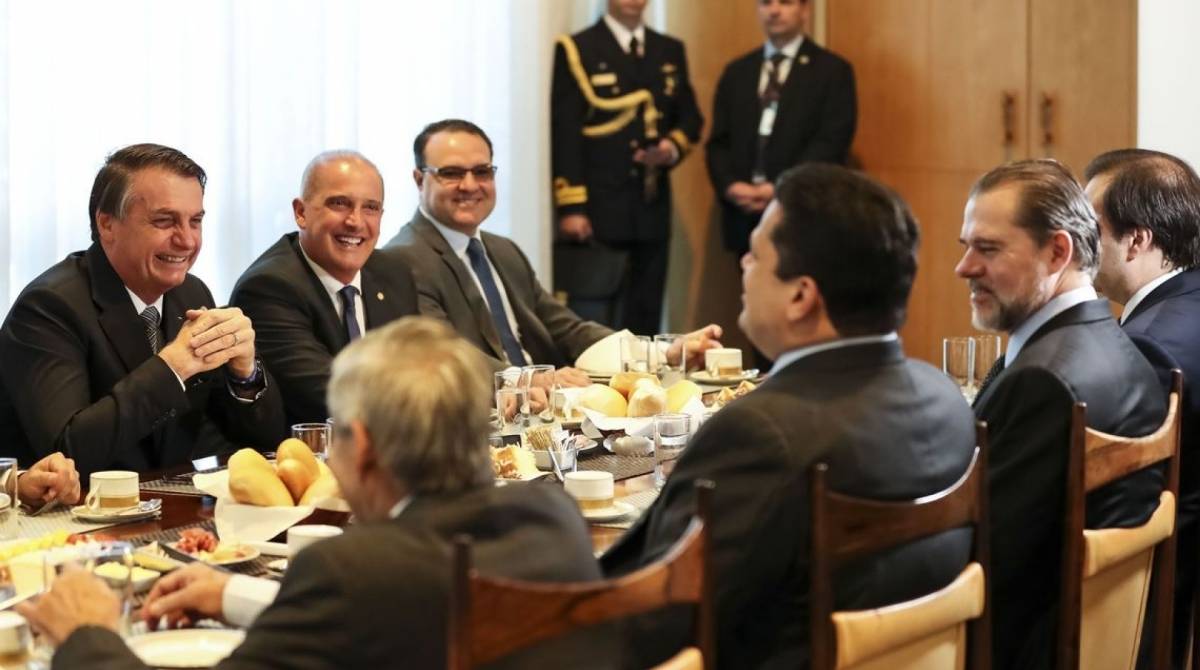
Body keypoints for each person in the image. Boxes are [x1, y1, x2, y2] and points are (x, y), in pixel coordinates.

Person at [19, 317, 616, 669]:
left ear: (364, 448)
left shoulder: (350, 569)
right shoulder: (553, 518)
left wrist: (86, 635)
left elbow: (366, 600)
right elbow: (393, 615)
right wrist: (236, 595)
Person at [602, 164, 977, 668]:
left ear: (801, 296)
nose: (744, 264)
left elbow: (659, 622)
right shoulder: (949, 401)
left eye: (756, 254)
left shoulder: (761, 434)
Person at [956, 159, 1167, 670]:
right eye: (965, 246)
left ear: (1057, 251)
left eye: (987, 248)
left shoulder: (1044, 382)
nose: (964, 267)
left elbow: (982, 557)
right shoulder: (1123, 349)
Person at [0, 143, 286, 479]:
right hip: (77, 508)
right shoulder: (49, 307)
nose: (187, 241)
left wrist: (245, 375)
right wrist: (172, 366)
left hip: (169, 499)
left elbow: (264, 444)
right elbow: (67, 451)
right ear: (107, 224)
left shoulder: (191, 293)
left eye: (195, 221)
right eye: (165, 221)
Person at [387, 119, 720, 386]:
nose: (470, 185)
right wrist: (530, 381)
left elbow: (568, 329)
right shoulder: (402, 260)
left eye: (482, 171)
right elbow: (443, 357)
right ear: (419, 180)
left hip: (549, 415)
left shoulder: (503, 250)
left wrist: (662, 353)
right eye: (451, 173)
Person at [1084, 148, 1200, 669]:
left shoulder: (1148, 346)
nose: (1076, 244)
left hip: (1162, 592)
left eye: (1090, 230)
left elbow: (1119, 497)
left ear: (1136, 240)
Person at [230, 150, 418, 426]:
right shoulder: (268, 288)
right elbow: (334, 396)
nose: (355, 221)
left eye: (370, 207)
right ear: (301, 212)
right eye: (339, 204)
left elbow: (421, 365)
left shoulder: (394, 273)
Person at [551, 0, 703, 333]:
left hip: (651, 204)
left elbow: (690, 118)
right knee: (596, 321)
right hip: (599, 208)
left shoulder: (668, 50)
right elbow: (566, 133)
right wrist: (571, 207)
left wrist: (671, 148)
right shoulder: (579, 48)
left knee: (646, 314)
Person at [706, 0, 856, 258]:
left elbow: (832, 142)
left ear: (805, 10)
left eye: (785, 2)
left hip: (802, 214)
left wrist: (780, 188)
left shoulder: (832, 71)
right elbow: (718, 143)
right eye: (766, 3)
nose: (774, 11)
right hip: (744, 215)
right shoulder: (737, 72)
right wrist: (730, 186)